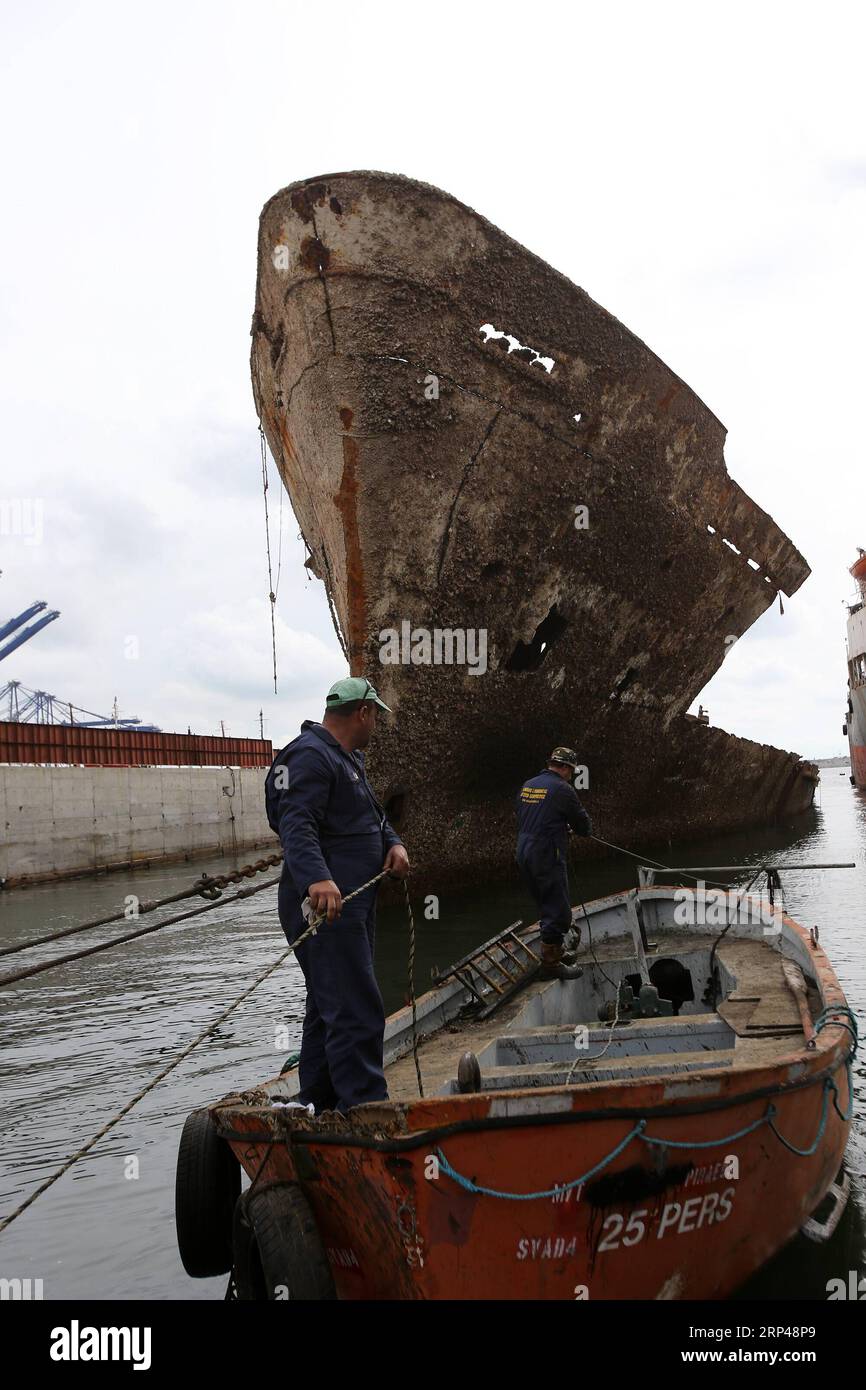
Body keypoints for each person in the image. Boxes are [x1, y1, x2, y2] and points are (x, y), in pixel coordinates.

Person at [265, 676, 409, 1113]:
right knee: (354, 1005)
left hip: (350, 903)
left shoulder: (347, 759)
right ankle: (366, 1108)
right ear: (362, 712)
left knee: (328, 1003)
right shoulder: (310, 756)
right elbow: (296, 821)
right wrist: (316, 878)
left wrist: (392, 843)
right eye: (375, 716)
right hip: (324, 907)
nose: (376, 725)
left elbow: (371, 817)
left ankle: (320, 1102)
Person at [515, 747, 591, 978]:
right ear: (566, 768)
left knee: (544, 902)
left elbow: (527, 814)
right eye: (572, 771)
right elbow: (583, 826)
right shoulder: (562, 789)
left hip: (524, 851)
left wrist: (555, 823)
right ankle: (551, 965)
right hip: (546, 853)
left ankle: (555, 951)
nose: (571, 776)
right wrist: (572, 828)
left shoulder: (528, 785)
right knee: (559, 911)